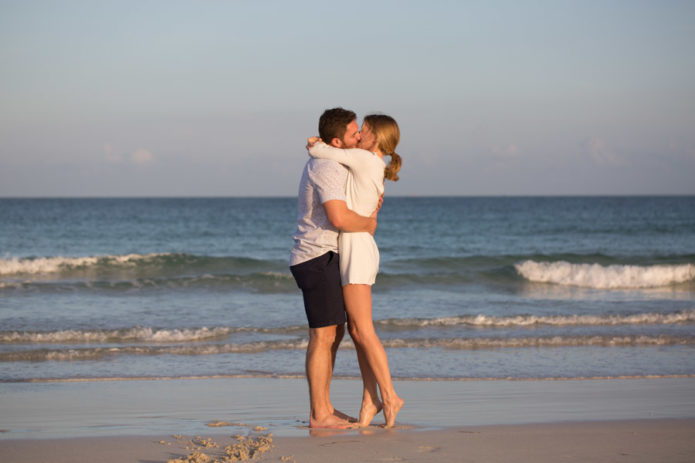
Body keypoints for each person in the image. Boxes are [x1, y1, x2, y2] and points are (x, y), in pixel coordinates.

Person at [306, 114, 404, 427]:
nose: (358, 132)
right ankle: (370, 397)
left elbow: (324, 152)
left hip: (357, 248)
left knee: (363, 330)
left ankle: (389, 395)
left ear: (373, 136)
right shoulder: (369, 161)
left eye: (363, 129)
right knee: (357, 330)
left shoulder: (364, 158)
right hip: (354, 246)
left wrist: (314, 142)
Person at [289, 107, 380, 429]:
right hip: (316, 256)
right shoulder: (327, 166)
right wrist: (368, 223)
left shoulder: (335, 161)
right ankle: (319, 414)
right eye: (355, 133)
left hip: (327, 255)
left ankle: (324, 408)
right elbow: (339, 218)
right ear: (338, 141)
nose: (360, 137)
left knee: (333, 333)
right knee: (322, 336)